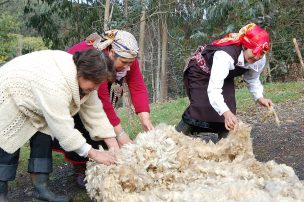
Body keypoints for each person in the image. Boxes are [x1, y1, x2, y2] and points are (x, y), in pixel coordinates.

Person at [0, 49, 118, 202]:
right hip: (10, 93)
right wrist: (94, 154)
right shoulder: (55, 84)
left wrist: (115, 149)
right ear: (82, 74)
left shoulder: (86, 79)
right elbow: (64, 129)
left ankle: (41, 189)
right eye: (95, 84)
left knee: (44, 138)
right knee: (7, 144)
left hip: (37, 98)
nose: (96, 88)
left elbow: (97, 115)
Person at [52, 29, 154, 187]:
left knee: (108, 140)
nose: (128, 67)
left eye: (130, 63)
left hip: (93, 90)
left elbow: (137, 86)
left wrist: (145, 118)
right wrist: (121, 135)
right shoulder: (95, 58)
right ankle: (80, 165)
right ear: (112, 52)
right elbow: (101, 100)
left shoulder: (127, 56)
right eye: (124, 63)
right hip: (71, 88)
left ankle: (101, 154)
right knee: (81, 122)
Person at [176, 23, 273, 139]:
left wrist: (260, 97)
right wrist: (225, 113)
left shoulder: (259, 60)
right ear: (245, 46)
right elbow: (214, 89)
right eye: (254, 53)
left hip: (223, 74)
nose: (257, 57)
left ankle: (226, 146)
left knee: (228, 106)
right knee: (201, 107)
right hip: (200, 71)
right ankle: (174, 140)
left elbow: (252, 79)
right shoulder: (224, 56)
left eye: (261, 54)